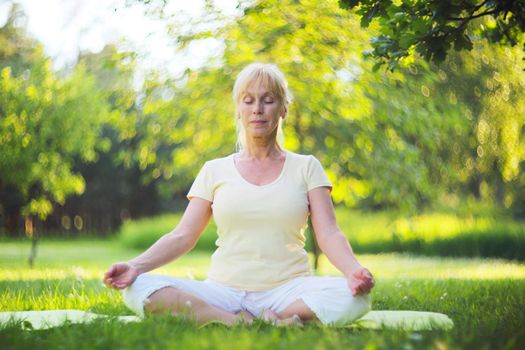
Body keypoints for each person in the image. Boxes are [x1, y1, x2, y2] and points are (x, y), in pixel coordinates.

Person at [103, 62, 375, 326]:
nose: (257, 109)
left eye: (268, 100)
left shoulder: (307, 167)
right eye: (248, 100)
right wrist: (135, 267)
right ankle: (239, 322)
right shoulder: (214, 170)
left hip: (288, 291)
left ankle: (274, 317)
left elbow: (329, 233)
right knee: (139, 289)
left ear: (283, 109)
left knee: (356, 300)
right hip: (224, 292)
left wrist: (352, 272)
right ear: (238, 109)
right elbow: (183, 235)